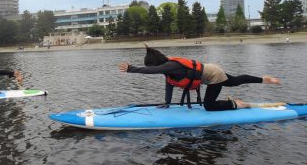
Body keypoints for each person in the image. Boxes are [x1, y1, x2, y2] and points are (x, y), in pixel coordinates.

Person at [118, 46, 280, 111]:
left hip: (213, 75)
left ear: (156, 64)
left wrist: (131, 69)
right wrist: (167, 103)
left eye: (152, 66)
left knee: (209, 106)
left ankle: (237, 104)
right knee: (235, 81)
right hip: (211, 70)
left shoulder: (170, 66)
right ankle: (263, 79)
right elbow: (169, 85)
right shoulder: (169, 70)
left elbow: (153, 71)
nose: (153, 69)